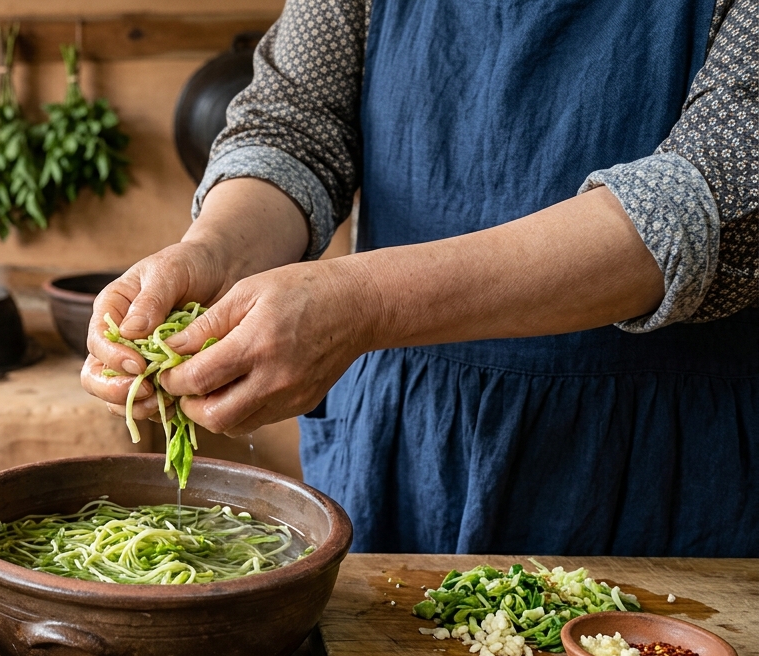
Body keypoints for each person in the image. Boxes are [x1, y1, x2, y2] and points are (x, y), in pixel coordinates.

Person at [83, 0, 759, 557]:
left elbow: (709, 197)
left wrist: (367, 300)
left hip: (654, 459)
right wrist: (214, 251)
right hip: (403, 446)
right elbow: (294, 125)